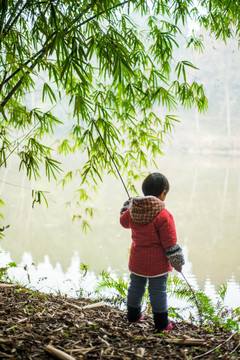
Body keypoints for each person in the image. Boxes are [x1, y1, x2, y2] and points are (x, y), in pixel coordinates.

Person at [120, 172, 185, 331]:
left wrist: (127, 206)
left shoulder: (134, 209)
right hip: (157, 265)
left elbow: (123, 221)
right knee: (158, 292)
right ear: (163, 193)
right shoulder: (164, 214)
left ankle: (133, 316)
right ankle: (162, 324)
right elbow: (170, 244)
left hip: (137, 262)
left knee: (135, 288)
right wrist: (178, 264)